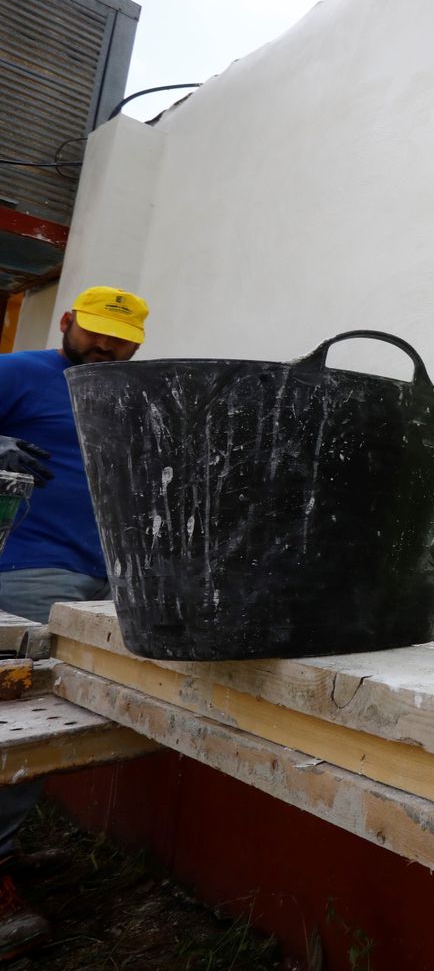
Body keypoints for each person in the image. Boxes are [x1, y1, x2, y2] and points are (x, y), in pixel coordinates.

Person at [0, 285, 147, 960]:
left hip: (109, 581)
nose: (105, 346)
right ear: (67, 322)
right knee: (15, 716)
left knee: (45, 727)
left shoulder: (131, 398)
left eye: (120, 338)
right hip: (27, 571)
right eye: (94, 332)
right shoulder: (19, 372)